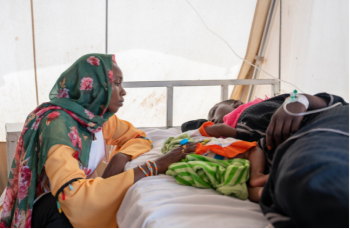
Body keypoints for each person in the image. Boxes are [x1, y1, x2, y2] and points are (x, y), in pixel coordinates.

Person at [0, 53, 198, 228]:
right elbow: (73, 195)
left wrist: (121, 155)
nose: (123, 91)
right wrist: (155, 166)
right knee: (66, 212)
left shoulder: (95, 119)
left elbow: (138, 137)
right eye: (117, 83)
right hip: (45, 209)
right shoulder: (58, 126)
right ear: (95, 86)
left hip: (64, 202)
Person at [197, 92, 349, 227]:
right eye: (209, 119)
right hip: (292, 154)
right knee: (295, 189)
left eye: (213, 112)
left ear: (235, 103)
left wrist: (298, 99)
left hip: (325, 126)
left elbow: (329, 102)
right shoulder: (238, 139)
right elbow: (192, 126)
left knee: (313, 181)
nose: (212, 120)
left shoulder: (260, 106)